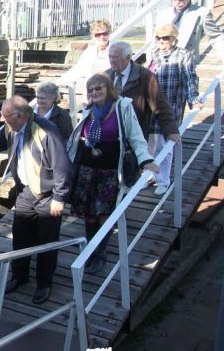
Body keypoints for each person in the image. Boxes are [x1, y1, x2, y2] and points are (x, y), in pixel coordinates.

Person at [0, 96, 72, 304]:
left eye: (5, 116)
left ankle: (44, 283)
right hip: (25, 192)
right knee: (21, 236)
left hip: (47, 195)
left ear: (21, 116)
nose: (2, 119)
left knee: (47, 241)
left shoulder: (46, 131)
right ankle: (19, 276)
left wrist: (60, 197)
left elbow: (63, 167)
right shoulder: (11, 128)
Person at [66, 73, 160, 274]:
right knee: (89, 214)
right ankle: (90, 251)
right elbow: (78, 138)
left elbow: (136, 137)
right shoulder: (89, 109)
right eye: (91, 89)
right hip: (88, 170)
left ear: (109, 88)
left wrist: (146, 159)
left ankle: (100, 254)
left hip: (110, 172)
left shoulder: (122, 107)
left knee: (104, 214)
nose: (94, 92)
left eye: (98, 88)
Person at [147, 23, 200, 195]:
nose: (161, 41)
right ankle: (149, 175)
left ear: (174, 39)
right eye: (159, 38)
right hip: (152, 106)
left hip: (171, 106)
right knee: (150, 142)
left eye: (166, 38)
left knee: (164, 143)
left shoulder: (183, 55)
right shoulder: (153, 54)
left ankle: (163, 180)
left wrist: (193, 99)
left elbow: (190, 78)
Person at [106, 41, 181, 153]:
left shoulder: (145, 76)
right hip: (110, 135)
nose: (111, 60)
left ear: (128, 57)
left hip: (135, 136)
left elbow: (160, 105)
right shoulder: (106, 76)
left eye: (115, 57)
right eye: (110, 57)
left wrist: (171, 130)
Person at [156, 0, 224, 67]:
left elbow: (215, 36)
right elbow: (156, 39)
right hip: (163, 59)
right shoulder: (163, 14)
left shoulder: (201, 13)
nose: (177, 2)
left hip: (186, 61)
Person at [60, 19, 113, 105]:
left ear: (109, 34)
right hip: (91, 96)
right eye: (98, 34)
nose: (102, 37)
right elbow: (77, 70)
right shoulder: (89, 52)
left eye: (105, 33)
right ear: (93, 36)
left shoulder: (116, 51)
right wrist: (58, 82)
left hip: (110, 96)